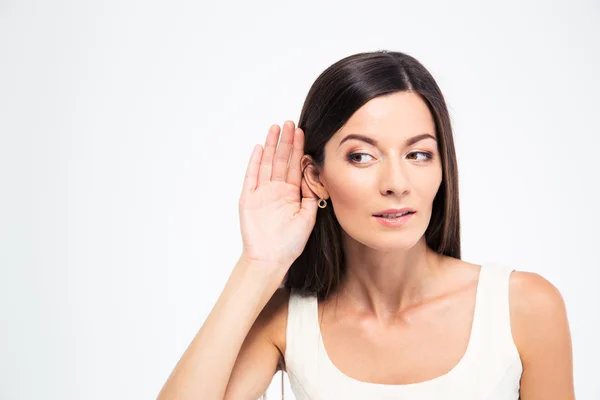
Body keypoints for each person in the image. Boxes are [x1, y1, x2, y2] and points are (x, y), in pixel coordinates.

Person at [157, 51, 575, 400]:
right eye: (362, 156)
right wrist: (258, 264)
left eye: (418, 155)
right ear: (315, 176)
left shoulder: (524, 307)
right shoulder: (286, 321)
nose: (396, 184)